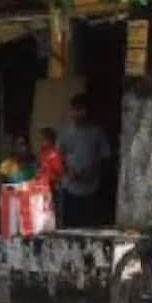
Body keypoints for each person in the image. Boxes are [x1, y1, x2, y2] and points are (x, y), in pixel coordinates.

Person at [57, 94, 111, 228]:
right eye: (75, 110)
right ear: (71, 111)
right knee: (70, 227)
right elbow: (58, 157)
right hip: (69, 187)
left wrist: (92, 171)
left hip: (91, 187)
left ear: (87, 111)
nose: (78, 113)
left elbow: (105, 156)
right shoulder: (64, 132)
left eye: (81, 109)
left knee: (89, 226)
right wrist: (68, 172)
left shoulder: (97, 132)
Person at [35, 128, 67, 193]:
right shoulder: (43, 151)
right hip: (44, 184)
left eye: (43, 139)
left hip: (53, 185)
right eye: (39, 140)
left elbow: (60, 171)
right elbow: (41, 165)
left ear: (51, 140)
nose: (40, 142)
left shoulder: (55, 153)